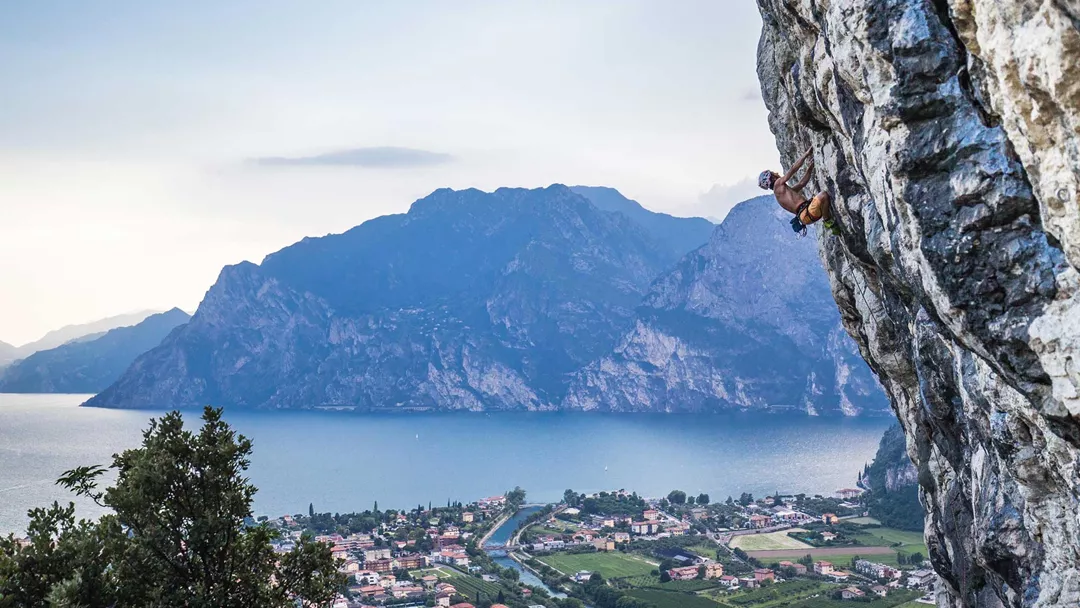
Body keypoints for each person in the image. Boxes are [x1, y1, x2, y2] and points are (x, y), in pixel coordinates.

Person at [758, 147, 838, 235]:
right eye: (773, 173)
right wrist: (806, 154)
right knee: (823, 195)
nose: (776, 173)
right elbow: (792, 170)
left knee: (823, 199)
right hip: (807, 212)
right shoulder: (777, 184)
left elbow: (801, 184)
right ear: (772, 178)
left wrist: (810, 169)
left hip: (806, 216)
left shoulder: (782, 194)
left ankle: (830, 223)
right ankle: (827, 221)